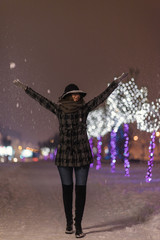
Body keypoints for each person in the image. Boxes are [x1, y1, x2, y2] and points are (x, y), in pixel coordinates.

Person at [13, 72, 128, 238]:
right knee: (67, 190)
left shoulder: (85, 108)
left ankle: (78, 225)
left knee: (81, 190)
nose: (76, 97)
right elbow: (42, 100)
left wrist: (115, 83)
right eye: (73, 94)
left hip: (82, 154)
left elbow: (101, 97)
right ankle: (69, 223)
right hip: (65, 155)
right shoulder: (59, 110)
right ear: (67, 96)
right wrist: (25, 88)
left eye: (77, 94)